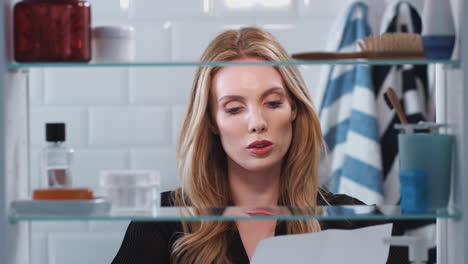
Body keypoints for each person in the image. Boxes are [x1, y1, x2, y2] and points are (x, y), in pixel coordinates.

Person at [112, 27, 407, 264]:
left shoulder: (351, 221)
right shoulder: (162, 221)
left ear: (293, 107)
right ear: (211, 121)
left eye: (273, 103)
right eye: (234, 108)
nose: (257, 122)